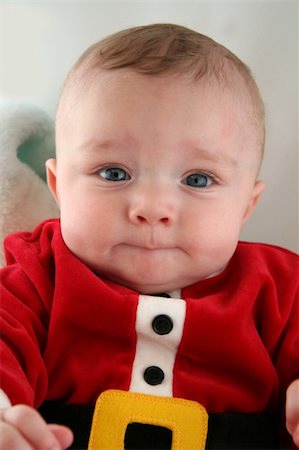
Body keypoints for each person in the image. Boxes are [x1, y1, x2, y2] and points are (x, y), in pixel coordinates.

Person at [0, 23, 298, 450]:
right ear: (58, 187)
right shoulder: (39, 277)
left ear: (246, 207)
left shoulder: (279, 290)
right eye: (114, 173)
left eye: (198, 179)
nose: (153, 208)